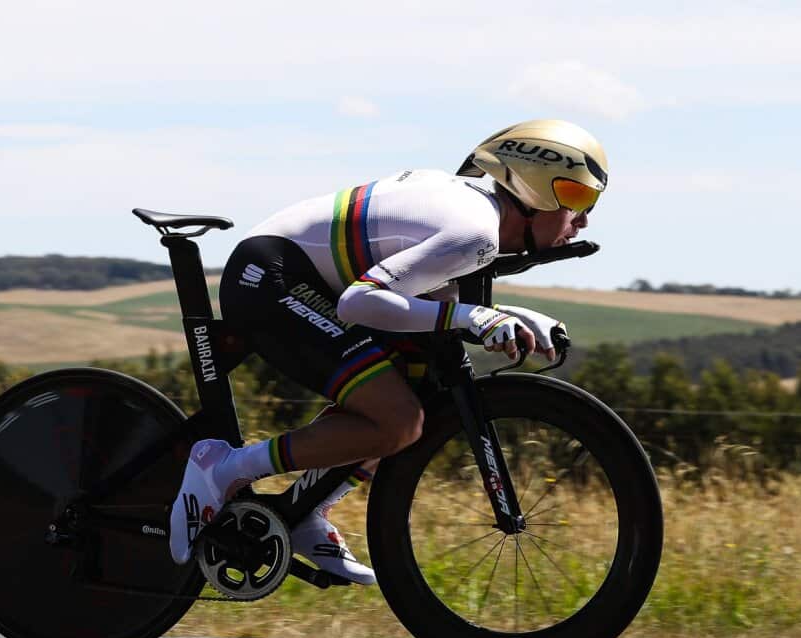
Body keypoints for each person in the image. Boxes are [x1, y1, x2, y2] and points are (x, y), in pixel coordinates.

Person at [169, 119, 609, 584]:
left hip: (301, 277)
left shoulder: (475, 215)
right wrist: (475, 318)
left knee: (419, 391)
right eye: (576, 199)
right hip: (272, 275)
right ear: (532, 190)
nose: (582, 221)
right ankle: (224, 467)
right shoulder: (475, 230)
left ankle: (302, 510)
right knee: (397, 418)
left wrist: (507, 315)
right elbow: (359, 302)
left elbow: (431, 304)